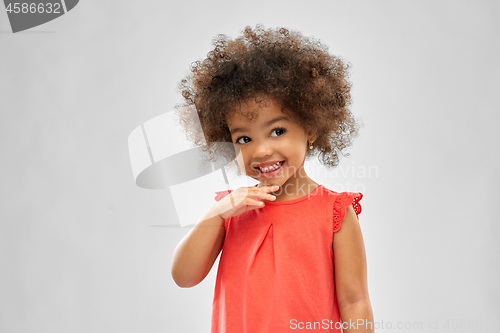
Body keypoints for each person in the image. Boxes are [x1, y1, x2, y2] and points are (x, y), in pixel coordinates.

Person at [171, 24, 374, 332]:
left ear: (310, 128)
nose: (262, 150)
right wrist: (217, 212)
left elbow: (355, 300)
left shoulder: (335, 212)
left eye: (277, 131)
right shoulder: (231, 211)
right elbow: (183, 276)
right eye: (243, 139)